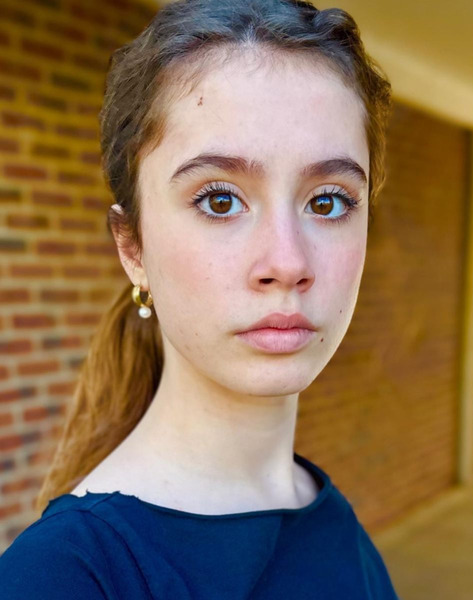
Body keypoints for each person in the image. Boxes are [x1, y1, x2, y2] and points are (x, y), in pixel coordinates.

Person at [0, 0, 398, 597]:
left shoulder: (335, 521)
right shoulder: (62, 576)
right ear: (132, 247)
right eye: (219, 200)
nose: (287, 263)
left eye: (327, 201)